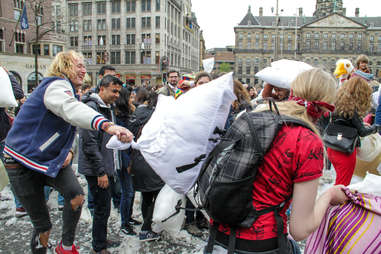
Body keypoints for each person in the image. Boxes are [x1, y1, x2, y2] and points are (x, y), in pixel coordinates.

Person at [206, 68, 348, 254]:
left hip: (218, 236)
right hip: (261, 244)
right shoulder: (306, 140)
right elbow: (300, 229)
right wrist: (329, 196)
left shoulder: (254, 115)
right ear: (325, 106)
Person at [3, 50, 133, 254]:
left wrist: (69, 151)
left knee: (76, 197)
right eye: (78, 65)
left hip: (49, 158)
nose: (83, 70)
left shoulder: (71, 90)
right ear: (63, 66)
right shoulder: (55, 85)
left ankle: (65, 248)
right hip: (21, 160)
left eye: (83, 66)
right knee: (43, 226)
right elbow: (70, 109)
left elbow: (69, 125)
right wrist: (107, 125)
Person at [78, 75, 124, 254]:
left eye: (118, 92)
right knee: (101, 208)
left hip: (105, 166)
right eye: (114, 91)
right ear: (102, 88)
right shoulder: (92, 108)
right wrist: (100, 172)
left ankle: (101, 239)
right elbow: (89, 144)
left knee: (104, 208)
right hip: (97, 169)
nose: (116, 95)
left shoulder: (107, 107)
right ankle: (99, 247)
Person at [324, 77, 377, 186]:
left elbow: (345, 123)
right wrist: (375, 127)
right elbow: (362, 132)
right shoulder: (352, 109)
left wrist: (361, 125)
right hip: (345, 149)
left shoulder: (338, 105)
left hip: (332, 146)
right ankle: (336, 203)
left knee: (339, 182)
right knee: (343, 185)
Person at [129, 88, 164, 241]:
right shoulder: (155, 115)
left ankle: (147, 225)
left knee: (146, 195)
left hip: (138, 159)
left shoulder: (134, 114)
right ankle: (146, 229)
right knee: (155, 194)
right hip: (152, 159)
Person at [114, 87, 140, 236]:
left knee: (131, 191)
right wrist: (127, 162)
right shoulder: (119, 116)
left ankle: (128, 218)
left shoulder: (128, 113)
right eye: (130, 96)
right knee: (127, 192)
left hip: (129, 157)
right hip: (124, 159)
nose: (133, 98)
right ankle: (124, 223)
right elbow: (121, 143)